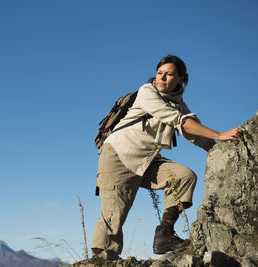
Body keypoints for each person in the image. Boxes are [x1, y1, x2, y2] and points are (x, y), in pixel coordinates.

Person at [91, 55, 242, 260]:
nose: (162, 78)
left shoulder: (178, 102)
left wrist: (221, 154)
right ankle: (100, 261)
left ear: (181, 79)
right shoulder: (147, 92)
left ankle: (164, 234)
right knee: (113, 217)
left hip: (146, 160)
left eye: (169, 74)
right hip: (119, 156)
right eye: (159, 73)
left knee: (184, 177)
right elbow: (177, 121)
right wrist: (219, 134)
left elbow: (193, 132)